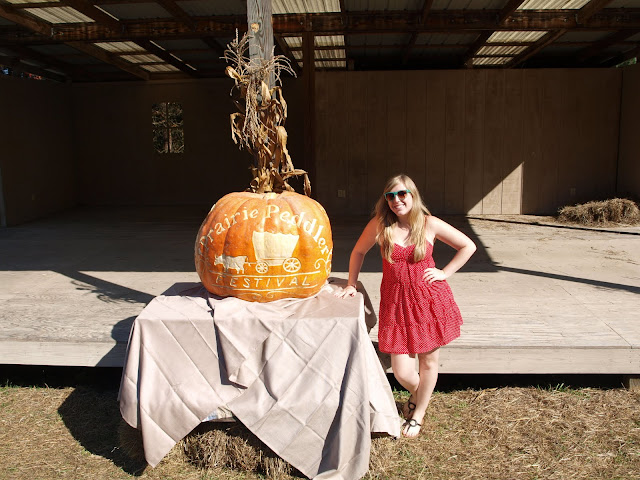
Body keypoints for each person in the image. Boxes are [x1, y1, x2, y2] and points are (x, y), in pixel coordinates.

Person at [335, 174, 476, 438]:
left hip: (428, 301)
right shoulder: (381, 225)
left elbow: (468, 246)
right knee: (402, 372)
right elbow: (358, 252)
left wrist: (444, 272)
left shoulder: (429, 224)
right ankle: (419, 394)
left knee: (428, 362)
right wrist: (352, 284)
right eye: (390, 196)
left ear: (413, 195)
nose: (396, 200)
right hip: (396, 303)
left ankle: (418, 413)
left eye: (402, 194)